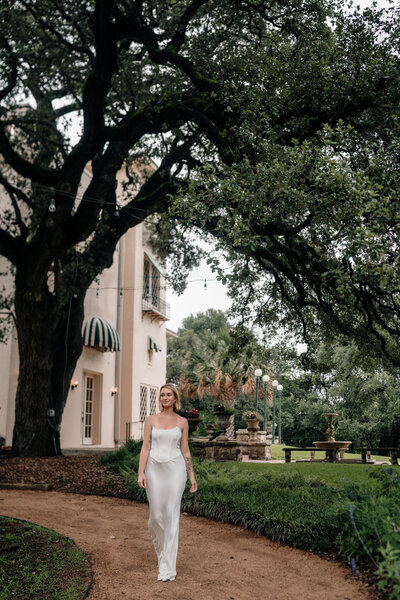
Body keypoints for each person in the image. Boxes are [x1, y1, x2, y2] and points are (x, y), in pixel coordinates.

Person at [137, 383, 197, 581]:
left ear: (175, 398)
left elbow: (185, 450)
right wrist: (141, 473)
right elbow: (145, 447)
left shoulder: (182, 422)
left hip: (176, 470)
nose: (164, 397)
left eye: (168, 394)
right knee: (155, 516)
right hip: (153, 468)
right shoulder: (150, 420)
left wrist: (191, 475)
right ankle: (162, 552)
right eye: (162, 394)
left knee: (171, 515)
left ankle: (168, 565)